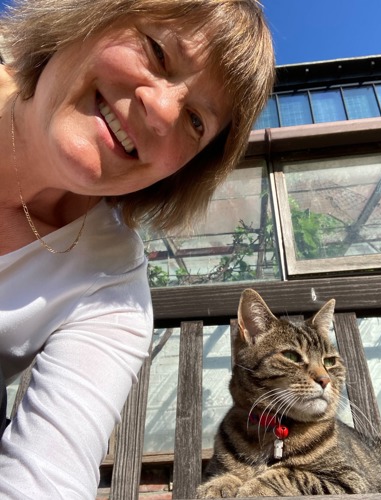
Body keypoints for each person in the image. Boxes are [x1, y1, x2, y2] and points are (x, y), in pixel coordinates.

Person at [0, 0, 274, 497]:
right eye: (157, 51)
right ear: (84, 17)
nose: (162, 111)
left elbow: (46, 476)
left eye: (196, 122)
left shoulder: (113, 286)